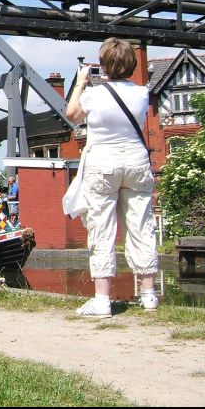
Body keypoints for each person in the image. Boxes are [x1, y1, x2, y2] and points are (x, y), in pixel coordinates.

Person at [66, 37, 159, 318]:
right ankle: (149, 295)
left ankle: (102, 300)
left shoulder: (94, 94)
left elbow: (72, 114)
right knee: (141, 225)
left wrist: (82, 81)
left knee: (102, 229)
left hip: (103, 164)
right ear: (131, 64)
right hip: (136, 163)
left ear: (104, 65)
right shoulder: (142, 93)